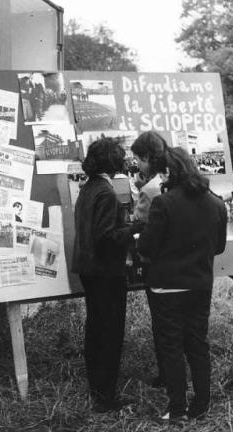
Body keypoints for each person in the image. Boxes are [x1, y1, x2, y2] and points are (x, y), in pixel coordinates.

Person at [137, 147, 227, 423]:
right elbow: (220, 247)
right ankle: (201, 405)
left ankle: (177, 409)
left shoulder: (164, 204)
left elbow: (147, 247)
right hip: (200, 284)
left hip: (167, 286)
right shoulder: (217, 202)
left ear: (167, 172)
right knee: (198, 344)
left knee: (172, 347)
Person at [71, 137, 144, 412]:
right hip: (105, 271)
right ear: (112, 161)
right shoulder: (105, 192)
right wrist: (133, 229)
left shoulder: (89, 188)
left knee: (97, 328)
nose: (124, 160)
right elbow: (106, 238)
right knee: (110, 332)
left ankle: (98, 391)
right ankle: (106, 397)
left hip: (90, 268)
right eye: (120, 156)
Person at [129, 131, 169, 389]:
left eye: (138, 159)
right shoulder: (172, 179)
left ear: (147, 158)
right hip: (182, 262)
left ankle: (166, 373)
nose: (137, 165)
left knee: (162, 322)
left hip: (158, 263)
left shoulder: (150, 189)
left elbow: (139, 220)